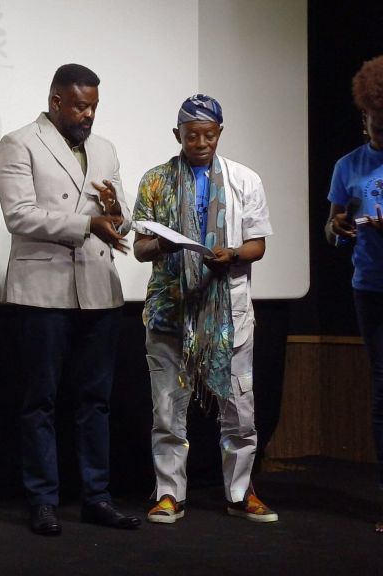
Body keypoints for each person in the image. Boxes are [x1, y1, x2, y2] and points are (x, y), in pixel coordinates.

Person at [0, 63, 139, 536]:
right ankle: (43, 499)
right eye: (80, 105)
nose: (88, 114)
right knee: (41, 400)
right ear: (56, 100)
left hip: (98, 287)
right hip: (44, 289)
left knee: (95, 400)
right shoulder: (20, 142)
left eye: (94, 105)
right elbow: (19, 216)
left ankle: (97, 496)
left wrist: (118, 216)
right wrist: (86, 224)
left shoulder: (105, 149)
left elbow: (122, 214)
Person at [133, 94, 276, 525]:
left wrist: (231, 255)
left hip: (227, 311)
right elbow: (140, 247)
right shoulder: (155, 181)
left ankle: (240, 492)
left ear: (220, 133)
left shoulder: (244, 180)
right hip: (170, 312)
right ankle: (168, 494)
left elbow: (259, 245)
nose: (200, 142)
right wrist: (164, 242)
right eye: (191, 134)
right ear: (176, 134)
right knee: (167, 410)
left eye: (209, 135)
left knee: (239, 410)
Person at [326, 55, 383, 533]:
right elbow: (332, 227)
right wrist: (339, 226)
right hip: (370, 289)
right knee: (382, 393)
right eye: (371, 121)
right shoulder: (349, 165)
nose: (375, 131)